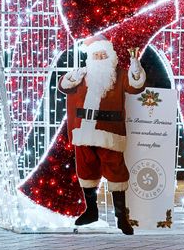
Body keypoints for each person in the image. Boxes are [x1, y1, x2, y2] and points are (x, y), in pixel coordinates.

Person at [59, 34, 146, 234]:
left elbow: (137, 85)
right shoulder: (81, 75)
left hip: (110, 132)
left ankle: (121, 217)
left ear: (111, 56)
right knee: (86, 169)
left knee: (116, 172)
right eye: (95, 55)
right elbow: (63, 85)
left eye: (103, 54)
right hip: (83, 131)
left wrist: (135, 65)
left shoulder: (120, 75)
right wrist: (71, 78)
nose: (99, 58)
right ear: (90, 57)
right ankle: (91, 211)